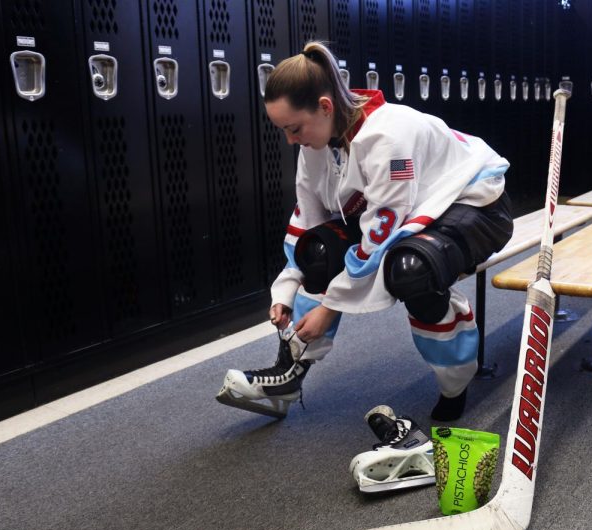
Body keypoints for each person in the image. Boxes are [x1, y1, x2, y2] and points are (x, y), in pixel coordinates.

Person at [216, 41, 516, 422]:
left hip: (476, 204)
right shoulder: (316, 142)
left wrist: (329, 307)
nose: (291, 140)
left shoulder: (387, 139)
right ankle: (289, 371)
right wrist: (287, 287)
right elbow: (309, 221)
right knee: (319, 251)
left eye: (294, 128)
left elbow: (380, 237)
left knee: (410, 270)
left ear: (325, 107)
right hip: (413, 207)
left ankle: (455, 383)